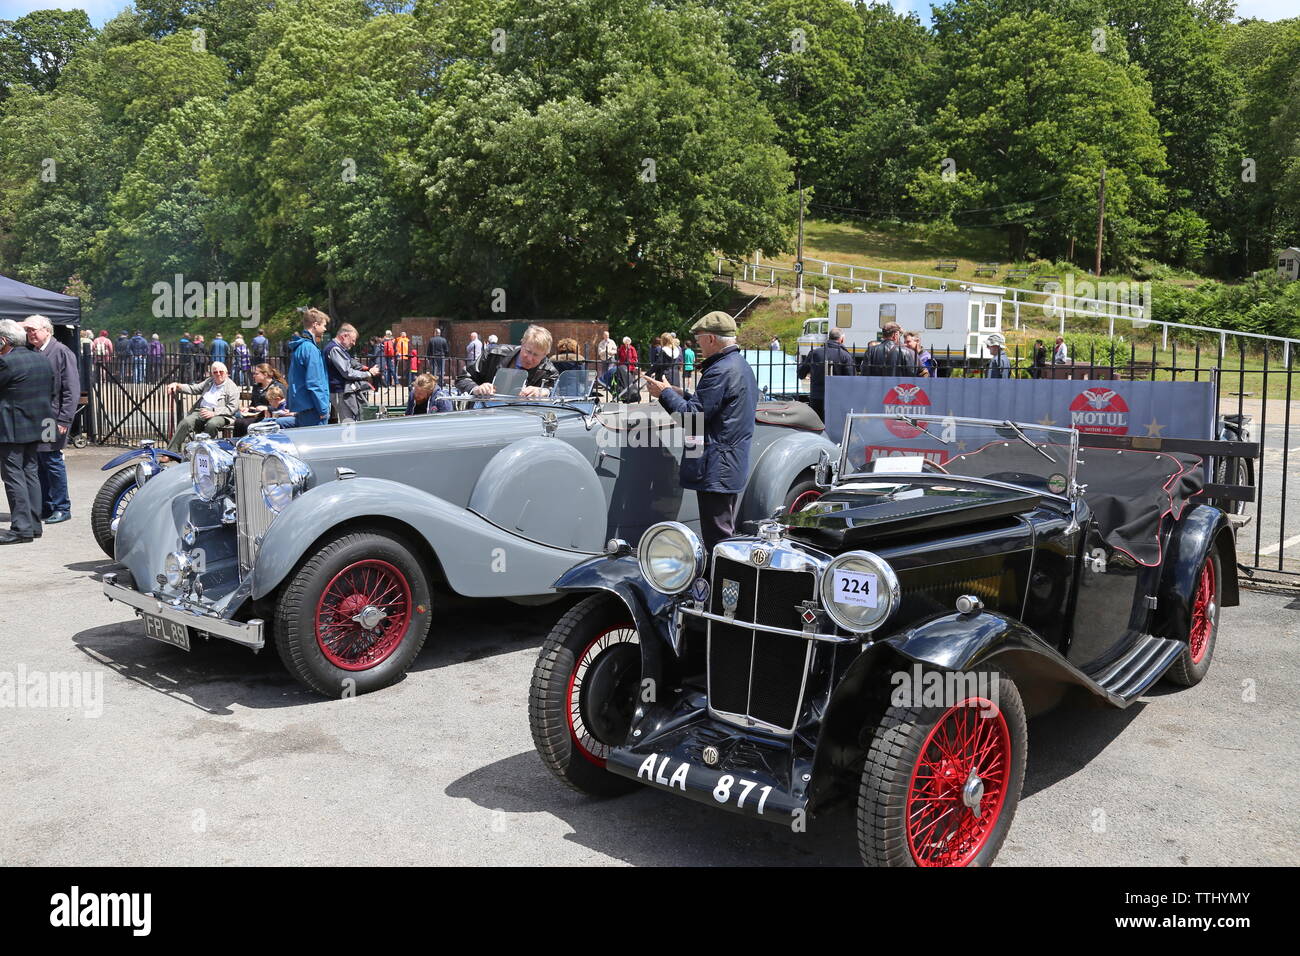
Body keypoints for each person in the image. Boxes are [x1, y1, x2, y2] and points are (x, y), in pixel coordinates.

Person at [643, 311, 758, 555]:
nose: (698, 344)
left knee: (718, 540)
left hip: (716, 465)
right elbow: (711, 407)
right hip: (726, 463)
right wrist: (676, 391)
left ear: (712, 340)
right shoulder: (739, 365)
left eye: (700, 339)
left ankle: (720, 588)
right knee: (721, 532)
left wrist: (664, 394)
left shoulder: (720, 370)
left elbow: (691, 417)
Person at [0, 319, 54, 544]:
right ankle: (33, 525)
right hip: (36, 425)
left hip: (12, 427)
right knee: (30, 473)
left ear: (3, 340)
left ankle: (22, 528)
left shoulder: (6, 363)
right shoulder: (41, 359)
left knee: (14, 477)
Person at [22, 316, 79, 524]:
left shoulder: (61, 352)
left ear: (47, 330)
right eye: (28, 331)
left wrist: (64, 419)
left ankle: (62, 507)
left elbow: (71, 390)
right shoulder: (33, 351)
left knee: (52, 460)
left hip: (52, 418)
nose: (30, 334)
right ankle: (45, 506)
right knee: (38, 462)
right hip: (35, 418)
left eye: (34, 330)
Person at [456, 324, 558, 398]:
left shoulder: (549, 371)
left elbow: (563, 393)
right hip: (487, 413)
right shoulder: (494, 354)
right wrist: (477, 389)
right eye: (528, 351)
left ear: (545, 355)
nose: (530, 358)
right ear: (522, 343)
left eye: (536, 355)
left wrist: (545, 391)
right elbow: (463, 378)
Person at [165, 362, 241, 451]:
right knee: (185, 422)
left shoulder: (232, 387)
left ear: (227, 373)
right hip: (201, 411)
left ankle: (203, 450)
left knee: (211, 424)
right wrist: (177, 385)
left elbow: (232, 408)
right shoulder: (209, 381)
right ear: (212, 374)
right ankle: (171, 451)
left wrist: (214, 412)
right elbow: (194, 388)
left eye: (221, 372)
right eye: (215, 372)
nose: (218, 374)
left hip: (221, 415)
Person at [323, 323, 379, 423]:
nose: (353, 344)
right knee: (348, 423)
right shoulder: (335, 349)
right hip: (340, 392)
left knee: (351, 421)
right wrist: (368, 374)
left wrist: (365, 369)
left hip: (341, 391)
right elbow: (347, 372)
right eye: (352, 340)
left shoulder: (338, 349)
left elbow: (350, 362)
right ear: (344, 336)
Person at [798, 326, 854, 421]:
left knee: (817, 426)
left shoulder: (815, 353)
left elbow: (801, 373)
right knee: (835, 427)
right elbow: (850, 380)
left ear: (829, 338)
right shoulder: (845, 356)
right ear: (842, 339)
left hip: (816, 396)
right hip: (837, 398)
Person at [286, 308, 332, 427]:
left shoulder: (300, 347)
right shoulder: (310, 349)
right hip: (314, 409)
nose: (325, 329)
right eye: (324, 325)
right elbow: (315, 382)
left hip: (305, 406)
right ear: (315, 325)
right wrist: (323, 409)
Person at [233, 363, 287, 437]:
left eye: (256, 374)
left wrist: (267, 408)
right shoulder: (256, 387)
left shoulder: (277, 387)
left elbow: (283, 404)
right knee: (238, 421)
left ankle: (247, 443)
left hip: (269, 416)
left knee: (244, 424)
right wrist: (248, 409)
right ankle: (236, 442)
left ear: (265, 374)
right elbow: (253, 404)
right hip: (256, 415)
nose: (254, 376)